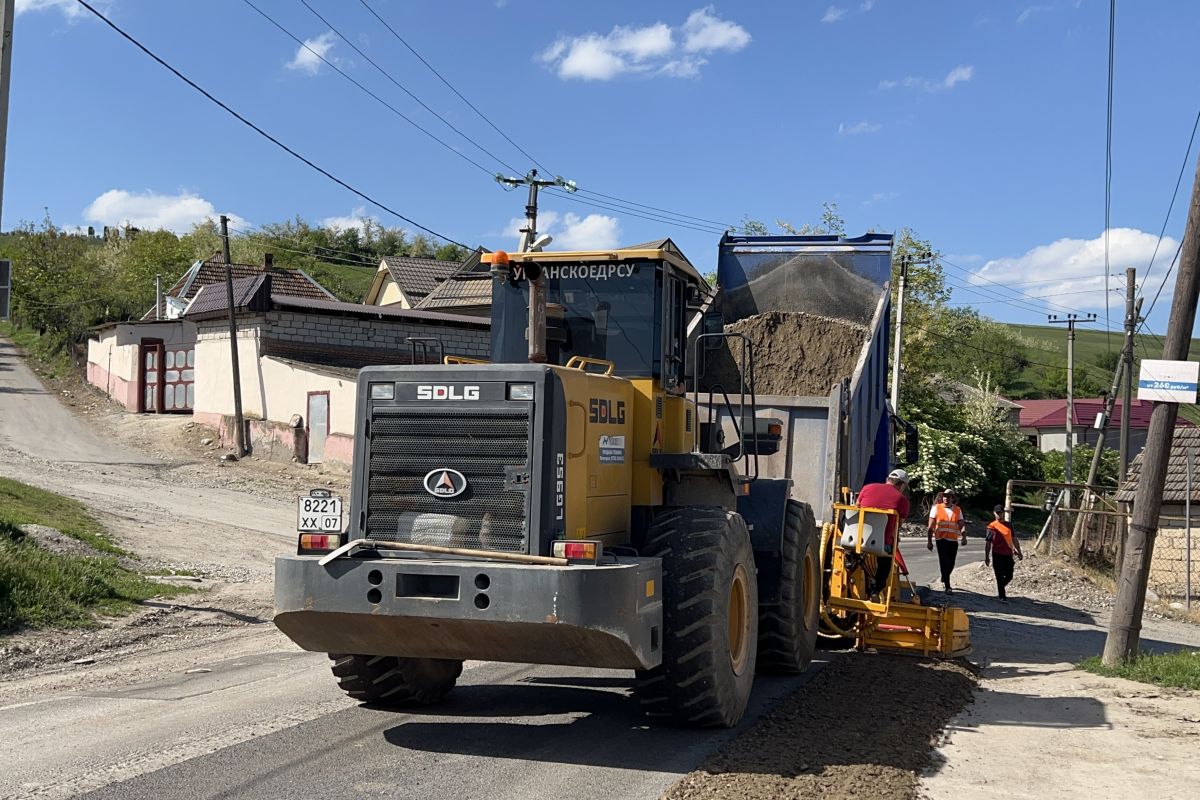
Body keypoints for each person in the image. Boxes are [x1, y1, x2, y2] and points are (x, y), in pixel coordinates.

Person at [856, 468, 911, 596]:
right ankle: (876, 589)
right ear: (901, 485)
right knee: (886, 562)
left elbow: (856, 507)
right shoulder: (901, 500)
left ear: (888, 479)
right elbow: (899, 524)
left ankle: (850, 562)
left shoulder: (867, 488)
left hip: (858, 538)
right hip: (882, 543)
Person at [927, 488, 967, 594]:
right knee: (944, 561)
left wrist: (964, 536)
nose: (946, 498)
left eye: (949, 496)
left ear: (952, 498)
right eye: (944, 496)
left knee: (951, 563)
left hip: (953, 540)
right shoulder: (936, 508)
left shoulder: (957, 509)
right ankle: (947, 586)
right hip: (941, 539)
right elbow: (930, 526)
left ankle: (944, 576)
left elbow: (961, 524)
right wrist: (929, 541)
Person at [985, 505, 1023, 601]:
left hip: (1008, 554)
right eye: (997, 513)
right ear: (994, 513)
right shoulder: (991, 526)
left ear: (1003, 513)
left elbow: (1014, 539)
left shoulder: (1009, 525)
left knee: (1009, 575)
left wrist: (1019, 551)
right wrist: (987, 556)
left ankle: (1001, 587)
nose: (999, 515)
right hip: (997, 554)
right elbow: (988, 542)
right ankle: (1002, 595)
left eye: (1000, 513)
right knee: (999, 575)